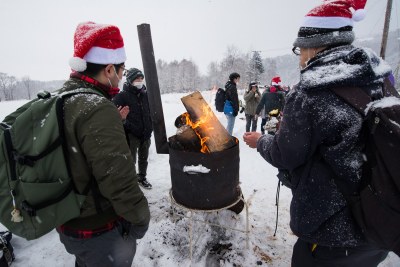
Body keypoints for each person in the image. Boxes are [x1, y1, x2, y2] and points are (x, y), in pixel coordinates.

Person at [243, 1, 391, 266]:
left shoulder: (311, 91)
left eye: (300, 49)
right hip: (379, 220)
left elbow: (285, 154)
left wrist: (262, 141)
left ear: (315, 45)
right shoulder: (380, 77)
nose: (299, 57)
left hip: (332, 230)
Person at [57, 22, 150, 267]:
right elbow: (119, 181)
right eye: (121, 70)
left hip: (69, 222)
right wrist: (141, 219)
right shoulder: (97, 108)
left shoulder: (62, 99)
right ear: (109, 69)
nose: (122, 76)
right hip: (98, 228)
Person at [113, 68, 154, 189]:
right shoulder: (121, 96)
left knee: (143, 159)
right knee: (130, 161)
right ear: (130, 80)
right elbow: (116, 116)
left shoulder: (146, 95)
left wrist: (150, 127)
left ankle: (142, 177)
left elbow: (150, 112)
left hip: (146, 133)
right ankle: (130, 183)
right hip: (131, 134)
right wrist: (126, 124)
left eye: (141, 79)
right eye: (137, 79)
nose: (140, 81)